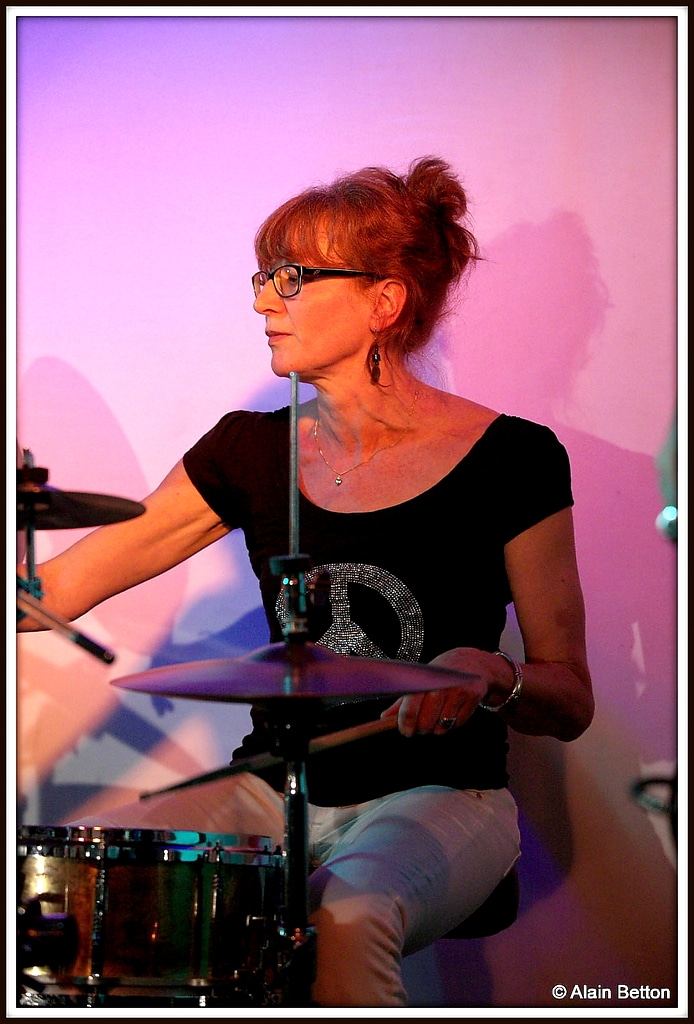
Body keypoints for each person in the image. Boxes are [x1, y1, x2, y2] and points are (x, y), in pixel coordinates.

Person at [18, 157, 594, 1007]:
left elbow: (570, 696)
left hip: (443, 794)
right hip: (274, 784)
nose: (263, 302)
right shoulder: (247, 451)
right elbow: (58, 588)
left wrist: (493, 672)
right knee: (90, 895)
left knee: (345, 917)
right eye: (263, 277)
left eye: (290, 278)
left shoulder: (514, 458)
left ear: (383, 300)